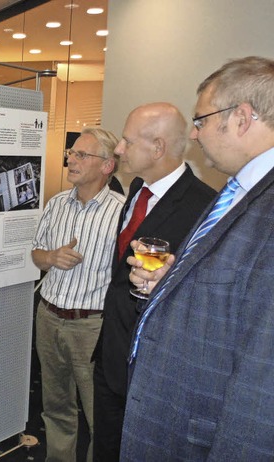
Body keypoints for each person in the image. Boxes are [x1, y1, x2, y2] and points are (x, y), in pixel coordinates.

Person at [122, 56, 274, 460]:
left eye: (202, 119)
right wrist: (168, 284)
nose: (194, 133)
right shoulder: (237, 192)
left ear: (241, 118)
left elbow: (264, 381)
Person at [91, 102, 216, 461]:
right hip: (112, 356)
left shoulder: (204, 208)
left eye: (127, 142)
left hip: (154, 369)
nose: (118, 149)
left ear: (158, 147)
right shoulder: (136, 190)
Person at [31, 127, 124, 462]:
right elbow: (35, 253)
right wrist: (50, 257)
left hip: (92, 328)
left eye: (82, 154)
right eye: (72, 152)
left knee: (100, 415)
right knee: (55, 408)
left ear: (107, 166)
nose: (71, 159)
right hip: (49, 318)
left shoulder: (122, 213)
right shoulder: (56, 204)